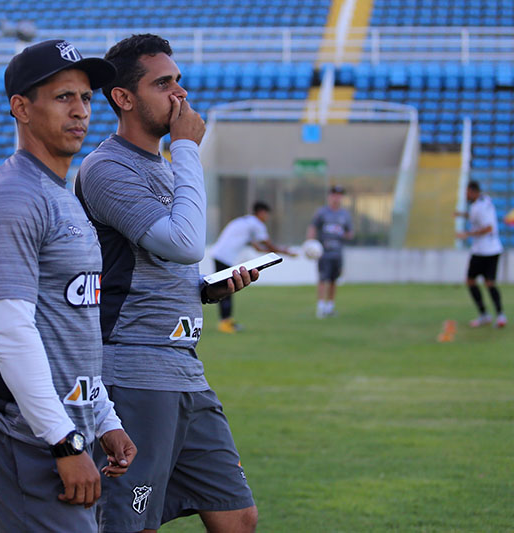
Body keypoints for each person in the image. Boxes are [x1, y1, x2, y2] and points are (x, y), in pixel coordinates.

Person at [76, 34, 259, 533]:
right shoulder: (106, 168)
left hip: (184, 370)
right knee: (133, 524)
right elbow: (183, 241)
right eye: (163, 84)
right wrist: (186, 148)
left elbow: (170, 260)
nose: (179, 94)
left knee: (238, 517)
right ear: (123, 97)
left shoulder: (162, 165)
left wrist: (204, 288)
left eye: (178, 81)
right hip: (134, 372)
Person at [0, 40, 137, 531]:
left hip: (61, 429)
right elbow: (11, 331)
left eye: (85, 98)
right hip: (21, 433)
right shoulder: (12, 198)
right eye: (63, 98)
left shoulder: (61, 194)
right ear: (21, 108)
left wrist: (105, 420)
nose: (81, 111)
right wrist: (64, 441)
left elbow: (71, 329)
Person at [209, 201, 297, 333]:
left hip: (220, 254)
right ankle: (225, 323)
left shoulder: (246, 222)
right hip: (224, 257)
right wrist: (286, 252)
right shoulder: (256, 224)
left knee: (227, 288)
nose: (266, 218)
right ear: (261, 212)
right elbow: (268, 245)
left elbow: (258, 247)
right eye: (266, 214)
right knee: (227, 289)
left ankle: (227, 320)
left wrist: (276, 251)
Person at [456, 180, 506, 328]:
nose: (466, 195)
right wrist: (461, 215)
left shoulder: (480, 207)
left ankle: (498, 314)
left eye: (467, 193)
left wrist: (468, 234)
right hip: (484, 250)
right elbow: (475, 216)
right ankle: (486, 314)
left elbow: (489, 228)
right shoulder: (483, 200)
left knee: (488, 283)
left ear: (472, 192)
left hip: (487, 250)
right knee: (471, 281)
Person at [306, 185, 353, 319]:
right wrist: (310, 243)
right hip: (324, 253)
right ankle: (320, 308)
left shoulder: (345, 214)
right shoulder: (322, 212)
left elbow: (350, 233)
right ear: (329, 196)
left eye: (339, 195)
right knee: (323, 279)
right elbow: (313, 227)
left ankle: (329, 307)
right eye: (334, 195)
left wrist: (342, 234)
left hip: (337, 253)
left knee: (333, 280)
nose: (336, 198)